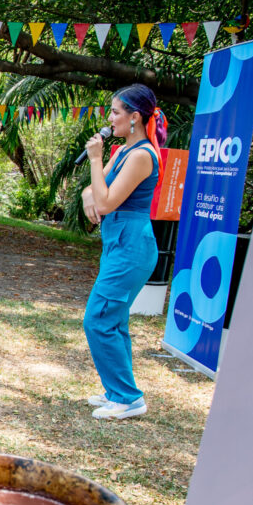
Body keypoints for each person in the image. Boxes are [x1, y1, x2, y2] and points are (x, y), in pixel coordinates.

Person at [80, 84, 166, 421]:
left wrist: (96, 160)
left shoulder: (143, 156)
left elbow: (106, 201)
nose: (110, 118)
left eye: (116, 112)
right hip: (118, 242)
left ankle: (128, 398)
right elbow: (97, 190)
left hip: (132, 246)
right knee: (114, 320)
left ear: (135, 118)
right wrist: (89, 189)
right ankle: (118, 390)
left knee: (97, 319)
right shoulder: (122, 153)